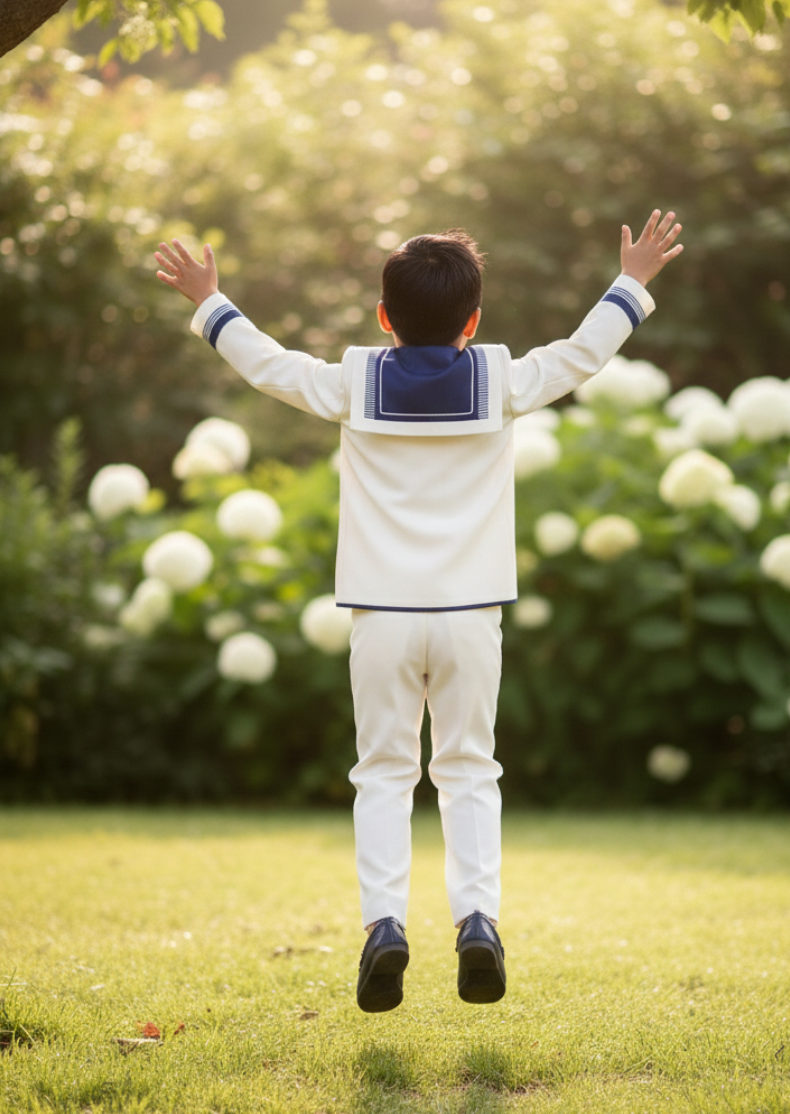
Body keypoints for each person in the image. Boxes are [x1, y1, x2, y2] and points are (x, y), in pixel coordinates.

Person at [155, 210, 683, 1014]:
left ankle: (384, 929)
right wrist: (632, 282)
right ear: (473, 320)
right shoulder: (498, 381)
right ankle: (478, 923)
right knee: (469, 770)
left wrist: (210, 302)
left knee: (384, 775)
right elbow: (581, 354)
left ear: (382, 316)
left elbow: (268, 365)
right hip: (472, 614)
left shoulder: (354, 382)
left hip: (383, 617)